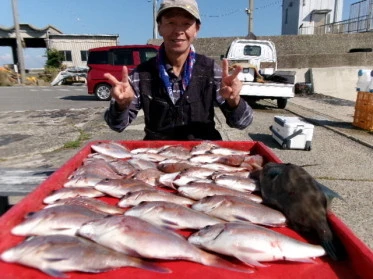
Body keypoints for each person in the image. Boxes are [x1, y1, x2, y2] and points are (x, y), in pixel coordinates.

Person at [104, 0, 253, 140]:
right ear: (159, 27)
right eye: (170, 23)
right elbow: (116, 125)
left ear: (196, 29)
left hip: (203, 156)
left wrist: (235, 101)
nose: (178, 30)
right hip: (158, 158)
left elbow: (242, 123)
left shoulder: (211, 70)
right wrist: (121, 105)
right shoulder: (141, 74)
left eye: (186, 23)